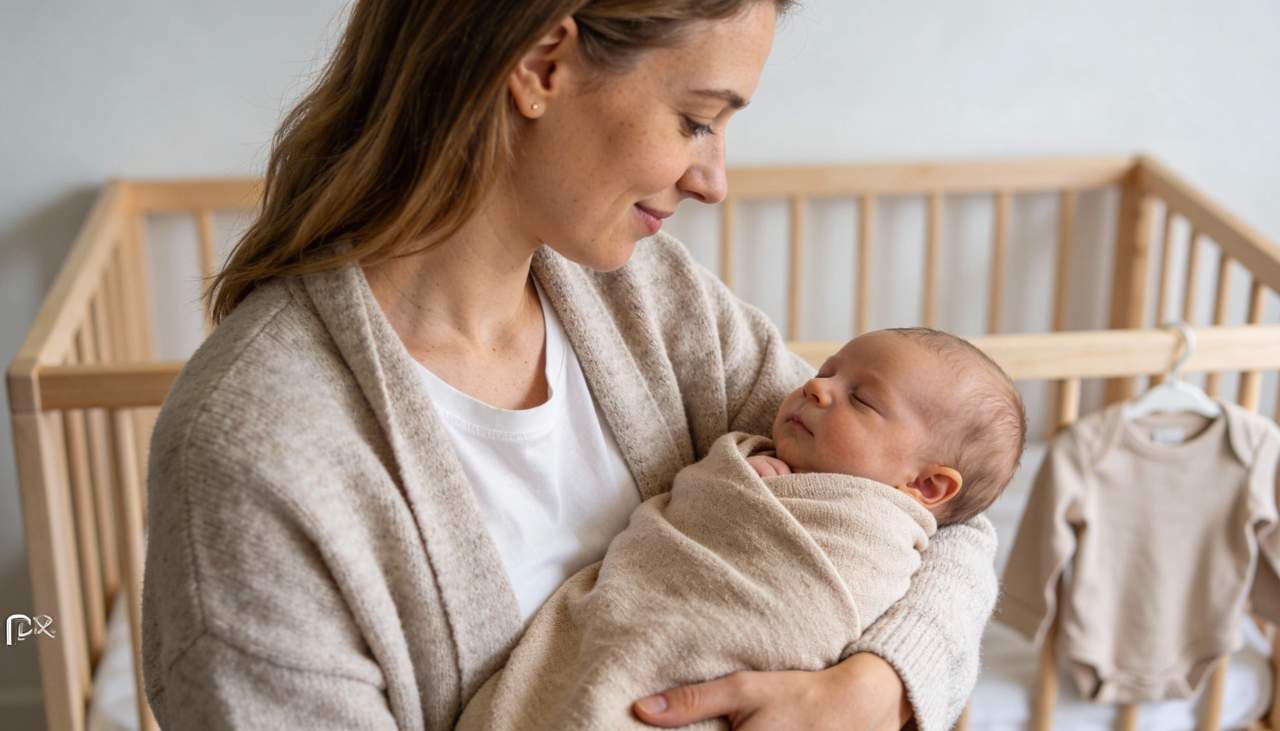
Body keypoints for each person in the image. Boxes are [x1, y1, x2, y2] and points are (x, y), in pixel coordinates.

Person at [140, 2, 999, 730]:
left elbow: (932, 510)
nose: (714, 180)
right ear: (543, 64)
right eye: (697, 119)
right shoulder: (255, 448)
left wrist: (879, 682)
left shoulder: (649, 299)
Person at [457, 328, 1026, 731]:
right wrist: (750, 485)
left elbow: (963, 535)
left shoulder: (881, 531)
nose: (816, 388)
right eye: (827, 371)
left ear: (925, 488)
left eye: (862, 398)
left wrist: (881, 682)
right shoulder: (777, 453)